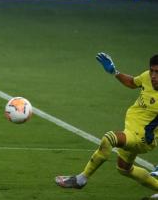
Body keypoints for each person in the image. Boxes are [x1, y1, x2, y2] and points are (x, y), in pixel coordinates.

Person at [55, 52, 158, 198]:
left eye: (157, 72)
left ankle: (81, 179)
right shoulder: (147, 77)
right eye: (152, 70)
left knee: (109, 138)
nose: (153, 75)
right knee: (123, 169)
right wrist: (114, 72)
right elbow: (132, 82)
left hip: (141, 138)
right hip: (131, 129)